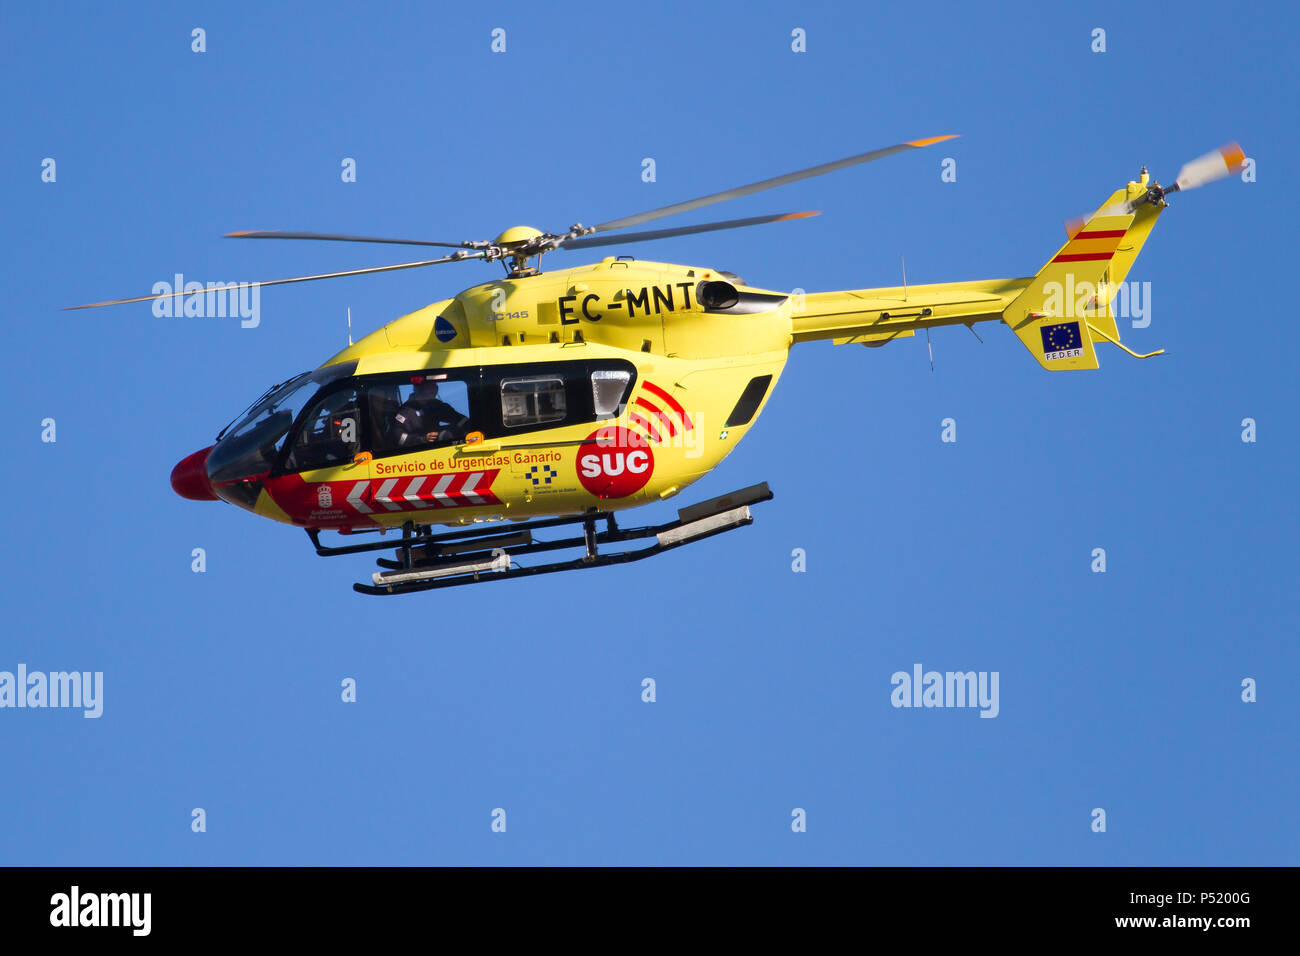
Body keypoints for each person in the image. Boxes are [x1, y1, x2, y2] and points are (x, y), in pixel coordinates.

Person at [393, 379, 470, 447]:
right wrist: (422, 439)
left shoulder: (437, 406)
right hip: (415, 455)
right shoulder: (406, 412)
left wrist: (471, 428)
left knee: (447, 434)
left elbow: (460, 420)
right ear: (419, 390)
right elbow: (398, 437)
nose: (434, 389)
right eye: (429, 387)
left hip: (439, 451)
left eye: (434, 386)